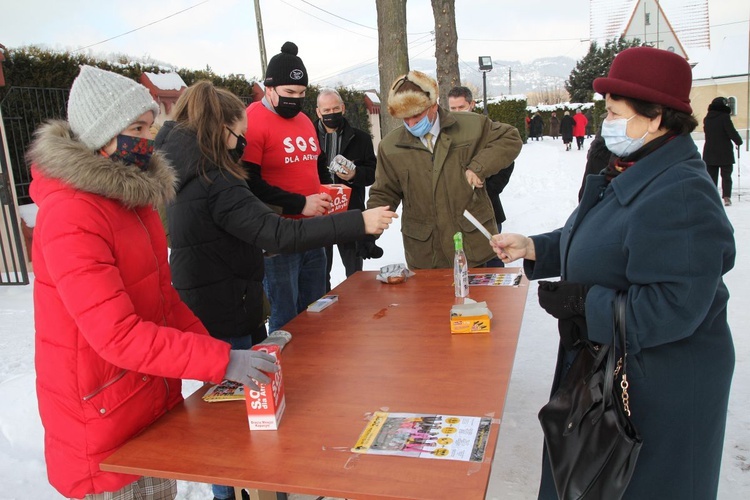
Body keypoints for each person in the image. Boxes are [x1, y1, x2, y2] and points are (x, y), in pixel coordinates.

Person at [490, 47, 736, 500]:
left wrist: (586, 303)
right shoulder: (636, 165)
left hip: (661, 384)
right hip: (617, 364)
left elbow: (675, 306)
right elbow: (599, 232)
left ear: (656, 117)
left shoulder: (682, 193)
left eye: (614, 112)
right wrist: (537, 248)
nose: (607, 122)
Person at [26, 65, 279, 500]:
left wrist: (219, 357)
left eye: (149, 127)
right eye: (136, 129)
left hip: (143, 401)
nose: (148, 139)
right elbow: (117, 335)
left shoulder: (132, 201)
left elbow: (166, 302)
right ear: (100, 135)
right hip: (102, 417)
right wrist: (219, 362)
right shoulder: (70, 215)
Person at [155, 81, 394, 500]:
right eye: (237, 134)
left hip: (208, 297)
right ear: (219, 130)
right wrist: (358, 221)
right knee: (235, 414)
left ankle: (246, 488)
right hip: (225, 306)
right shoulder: (216, 178)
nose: (241, 143)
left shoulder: (180, 165)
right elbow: (276, 233)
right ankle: (251, 489)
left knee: (225, 408)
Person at [367, 70, 522, 269]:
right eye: (405, 118)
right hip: (426, 253)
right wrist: (369, 233)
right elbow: (384, 192)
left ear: (433, 105)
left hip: (473, 245)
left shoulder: (471, 126)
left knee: (479, 301)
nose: (411, 123)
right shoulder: (390, 146)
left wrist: (478, 167)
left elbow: (510, 138)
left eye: (416, 115)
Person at [241, 41, 332, 332]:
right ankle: (287, 373)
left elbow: (314, 167)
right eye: (289, 93)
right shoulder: (253, 119)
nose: (296, 99)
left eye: (302, 93)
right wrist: (300, 203)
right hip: (277, 238)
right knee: (286, 315)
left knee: (317, 306)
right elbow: (249, 183)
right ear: (269, 89)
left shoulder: (305, 120)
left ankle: (318, 364)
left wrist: (326, 193)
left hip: (311, 232)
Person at [314, 88, 378, 291]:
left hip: (350, 210)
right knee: (320, 270)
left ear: (342, 108)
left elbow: (374, 173)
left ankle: (358, 309)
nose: (331, 113)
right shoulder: (307, 137)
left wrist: (355, 174)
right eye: (326, 110)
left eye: (335, 108)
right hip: (318, 211)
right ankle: (323, 309)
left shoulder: (361, 138)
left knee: (354, 270)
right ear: (318, 112)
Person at [448, 85, 515, 267]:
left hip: (488, 209)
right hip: (458, 214)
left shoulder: (488, 129)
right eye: (452, 108)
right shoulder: (445, 133)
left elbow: (506, 160)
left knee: (493, 261)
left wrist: (487, 188)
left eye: (461, 107)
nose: (457, 112)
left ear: (472, 104)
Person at [703, 96, 743, 206]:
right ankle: (726, 198)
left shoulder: (707, 118)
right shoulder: (724, 117)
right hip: (724, 151)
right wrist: (738, 141)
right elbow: (731, 132)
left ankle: (712, 197)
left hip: (710, 152)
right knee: (726, 176)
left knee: (711, 176)